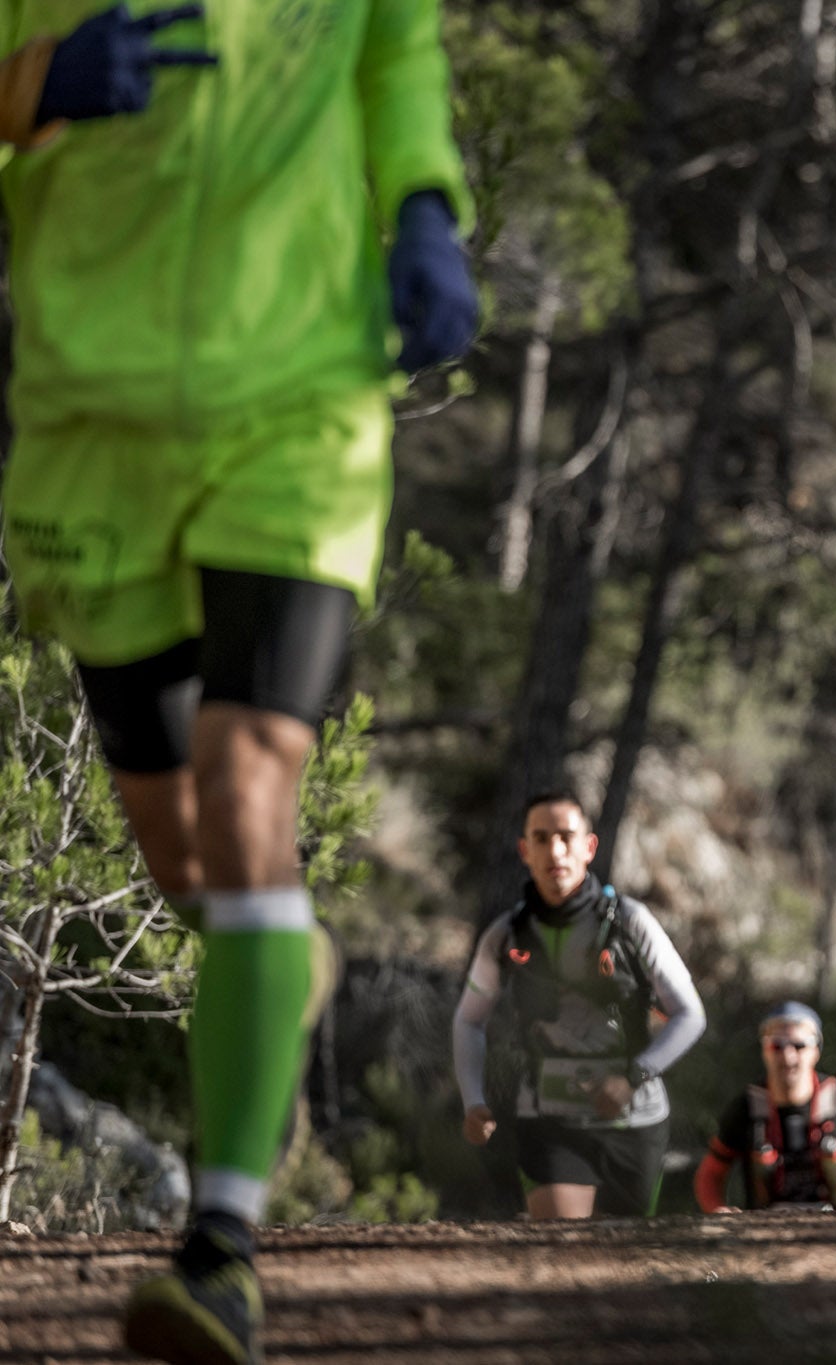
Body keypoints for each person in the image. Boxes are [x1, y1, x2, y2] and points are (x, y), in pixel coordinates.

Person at [0, 2, 476, 1359]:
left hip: (298, 406)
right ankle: (279, 955)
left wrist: (428, 206)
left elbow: (396, 54)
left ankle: (220, 1248)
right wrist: (26, 85)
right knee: (183, 857)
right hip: (93, 432)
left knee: (252, 779)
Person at [453, 791, 707, 1220]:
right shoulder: (506, 936)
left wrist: (632, 1077)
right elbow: (468, 1021)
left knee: (619, 1262)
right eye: (541, 838)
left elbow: (690, 1015)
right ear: (524, 851)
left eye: (566, 837)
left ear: (588, 848)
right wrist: (473, 1101)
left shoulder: (631, 922)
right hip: (548, 1121)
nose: (555, 851)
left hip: (635, 1119)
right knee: (561, 1246)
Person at [694, 1002, 836, 1212]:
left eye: (799, 1045)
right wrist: (717, 1209)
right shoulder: (745, 1107)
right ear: (764, 1051)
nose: (787, 1057)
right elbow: (712, 1171)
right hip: (763, 1229)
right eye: (776, 1046)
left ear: (816, 1051)